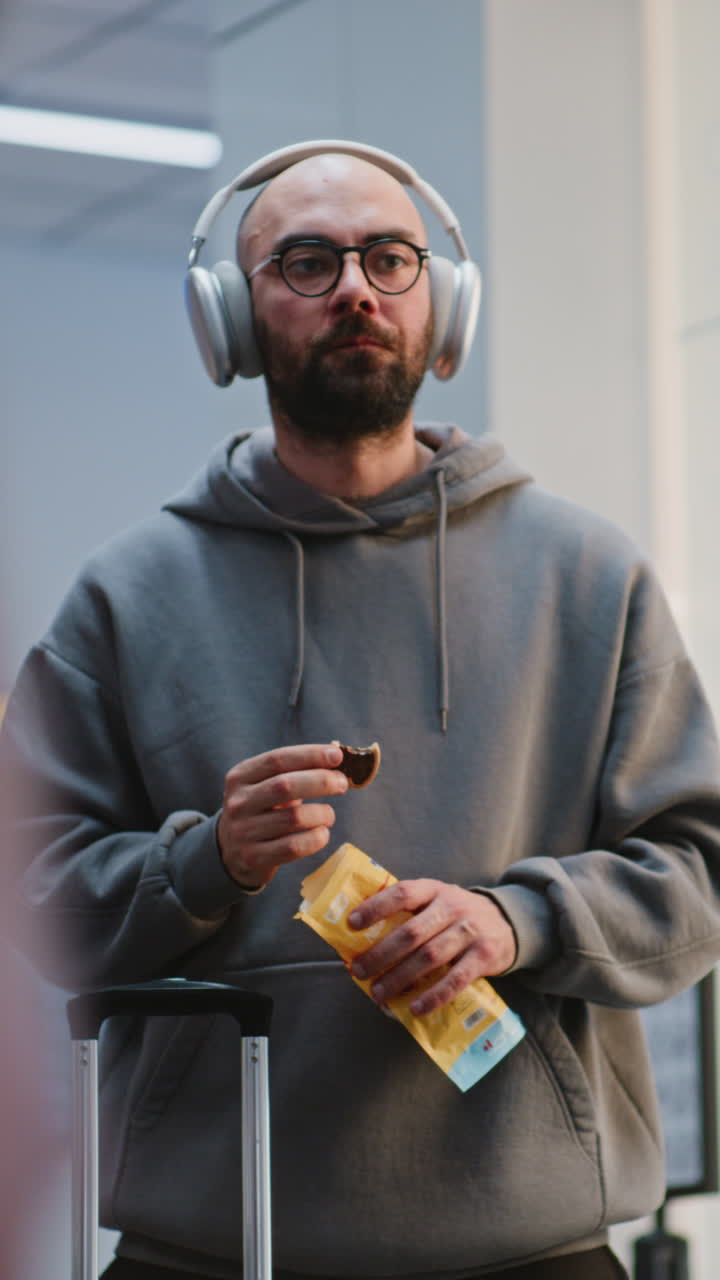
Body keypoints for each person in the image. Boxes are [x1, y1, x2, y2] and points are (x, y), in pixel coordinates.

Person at [2, 141, 720, 1280]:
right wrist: (206, 865)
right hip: (211, 1245)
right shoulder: (125, 595)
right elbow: (30, 891)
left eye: (390, 259)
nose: (354, 289)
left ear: (443, 307)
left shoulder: (589, 576)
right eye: (306, 262)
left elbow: (699, 870)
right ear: (231, 320)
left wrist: (516, 919)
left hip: (531, 1241)